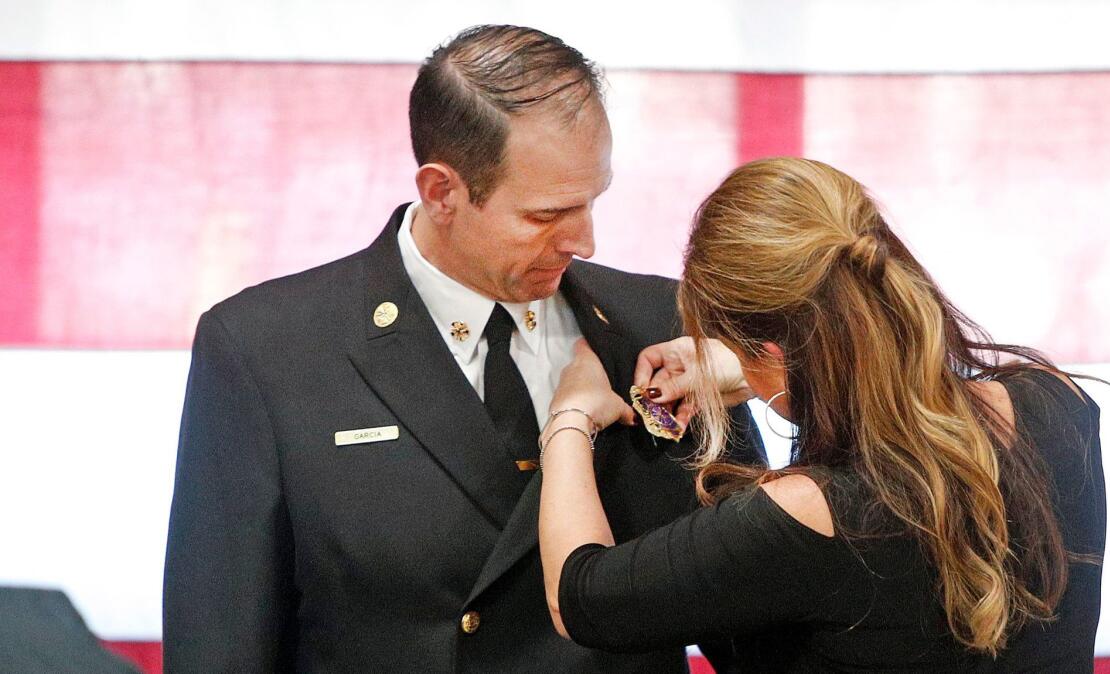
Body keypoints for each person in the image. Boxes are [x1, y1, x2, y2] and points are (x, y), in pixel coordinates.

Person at [163, 25, 763, 672]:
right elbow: (220, 642)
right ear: (442, 192)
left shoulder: (663, 326)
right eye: (544, 215)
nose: (584, 241)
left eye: (593, 201)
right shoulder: (267, 351)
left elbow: (762, 613)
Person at [538, 157, 1107, 671]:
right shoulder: (1061, 404)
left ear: (774, 352)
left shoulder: (813, 514)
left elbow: (583, 598)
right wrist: (751, 368)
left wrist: (572, 413)